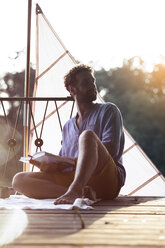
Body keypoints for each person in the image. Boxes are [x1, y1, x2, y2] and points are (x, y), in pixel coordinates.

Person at [12, 64, 126, 204]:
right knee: (19, 179)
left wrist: (70, 161)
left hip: (106, 178)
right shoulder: (67, 126)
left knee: (87, 136)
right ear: (72, 89)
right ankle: (81, 194)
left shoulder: (108, 110)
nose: (92, 85)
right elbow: (64, 164)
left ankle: (75, 189)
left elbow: (111, 150)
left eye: (93, 81)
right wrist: (49, 164)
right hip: (77, 180)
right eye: (86, 82)